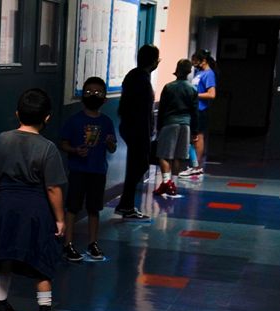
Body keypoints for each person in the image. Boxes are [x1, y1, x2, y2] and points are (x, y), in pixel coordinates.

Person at [0, 88, 68, 311]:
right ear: (47, 118)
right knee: (41, 260)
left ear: (17, 114)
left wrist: (2, 199)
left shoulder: (1, 140)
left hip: (6, 205)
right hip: (36, 209)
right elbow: (53, 188)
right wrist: (60, 219)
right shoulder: (47, 148)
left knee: (3, 257)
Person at [60, 76, 118, 262]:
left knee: (94, 208)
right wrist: (75, 150)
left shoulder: (107, 122)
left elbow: (113, 147)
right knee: (73, 207)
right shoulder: (74, 121)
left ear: (104, 98)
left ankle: (93, 243)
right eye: (89, 92)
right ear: (82, 96)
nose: (93, 96)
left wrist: (110, 143)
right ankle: (68, 244)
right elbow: (63, 143)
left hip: (98, 171)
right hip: (78, 170)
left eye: (98, 93)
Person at [115, 44, 159, 222]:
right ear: (154, 61)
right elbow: (142, 110)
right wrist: (148, 132)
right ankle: (126, 205)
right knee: (139, 165)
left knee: (136, 165)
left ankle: (127, 204)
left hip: (131, 127)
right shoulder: (141, 79)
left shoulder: (134, 75)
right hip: (138, 130)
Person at [153, 59, 200, 198]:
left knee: (163, 155)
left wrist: (158, 127)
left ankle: (166, 182)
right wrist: (195, 131)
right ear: (189, 71)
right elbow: (195, 112)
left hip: (169, 123)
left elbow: (162, 110)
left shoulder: (169, 87)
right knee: (178, 156)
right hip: (185, 125)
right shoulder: (192, 89)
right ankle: (173, 184)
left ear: (177, 69)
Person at [181, 49, 217, 179]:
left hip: (201, 109)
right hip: (194, 109)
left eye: (196, 61)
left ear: (204, 61)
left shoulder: (209, 74)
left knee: (199, 137)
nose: (194, 64)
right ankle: (194, 165)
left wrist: (195, 95)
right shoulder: (199, 73)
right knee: (193, 137)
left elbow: (212, 94)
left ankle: (196, 167)